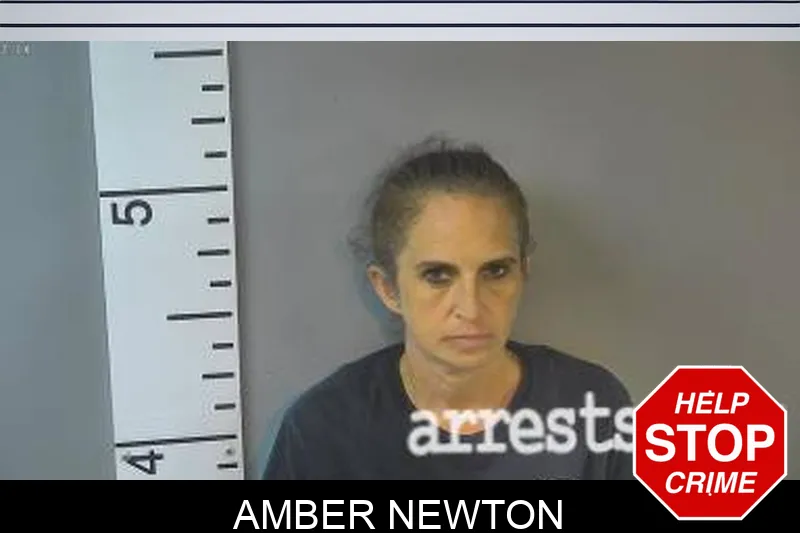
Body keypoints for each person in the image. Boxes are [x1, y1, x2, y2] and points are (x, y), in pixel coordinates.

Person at [262, 136, 634, 480]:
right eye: (437, 275)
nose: (471, 308)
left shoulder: (593, 408)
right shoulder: (324, 431)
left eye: (495, 271)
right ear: (388, 288)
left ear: (523, 273)